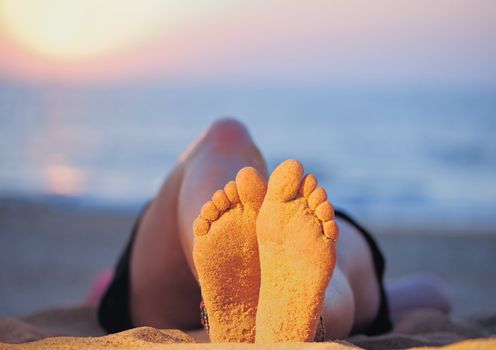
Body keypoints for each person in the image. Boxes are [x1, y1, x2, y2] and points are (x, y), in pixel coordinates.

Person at [96, 118, 450, 342]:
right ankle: (310, 315)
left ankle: (255, 308)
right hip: (279, 243)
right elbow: (434, 297)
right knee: (333, 250)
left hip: (159, 292)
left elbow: (96, 292)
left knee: (226, 137)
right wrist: (430, 297)